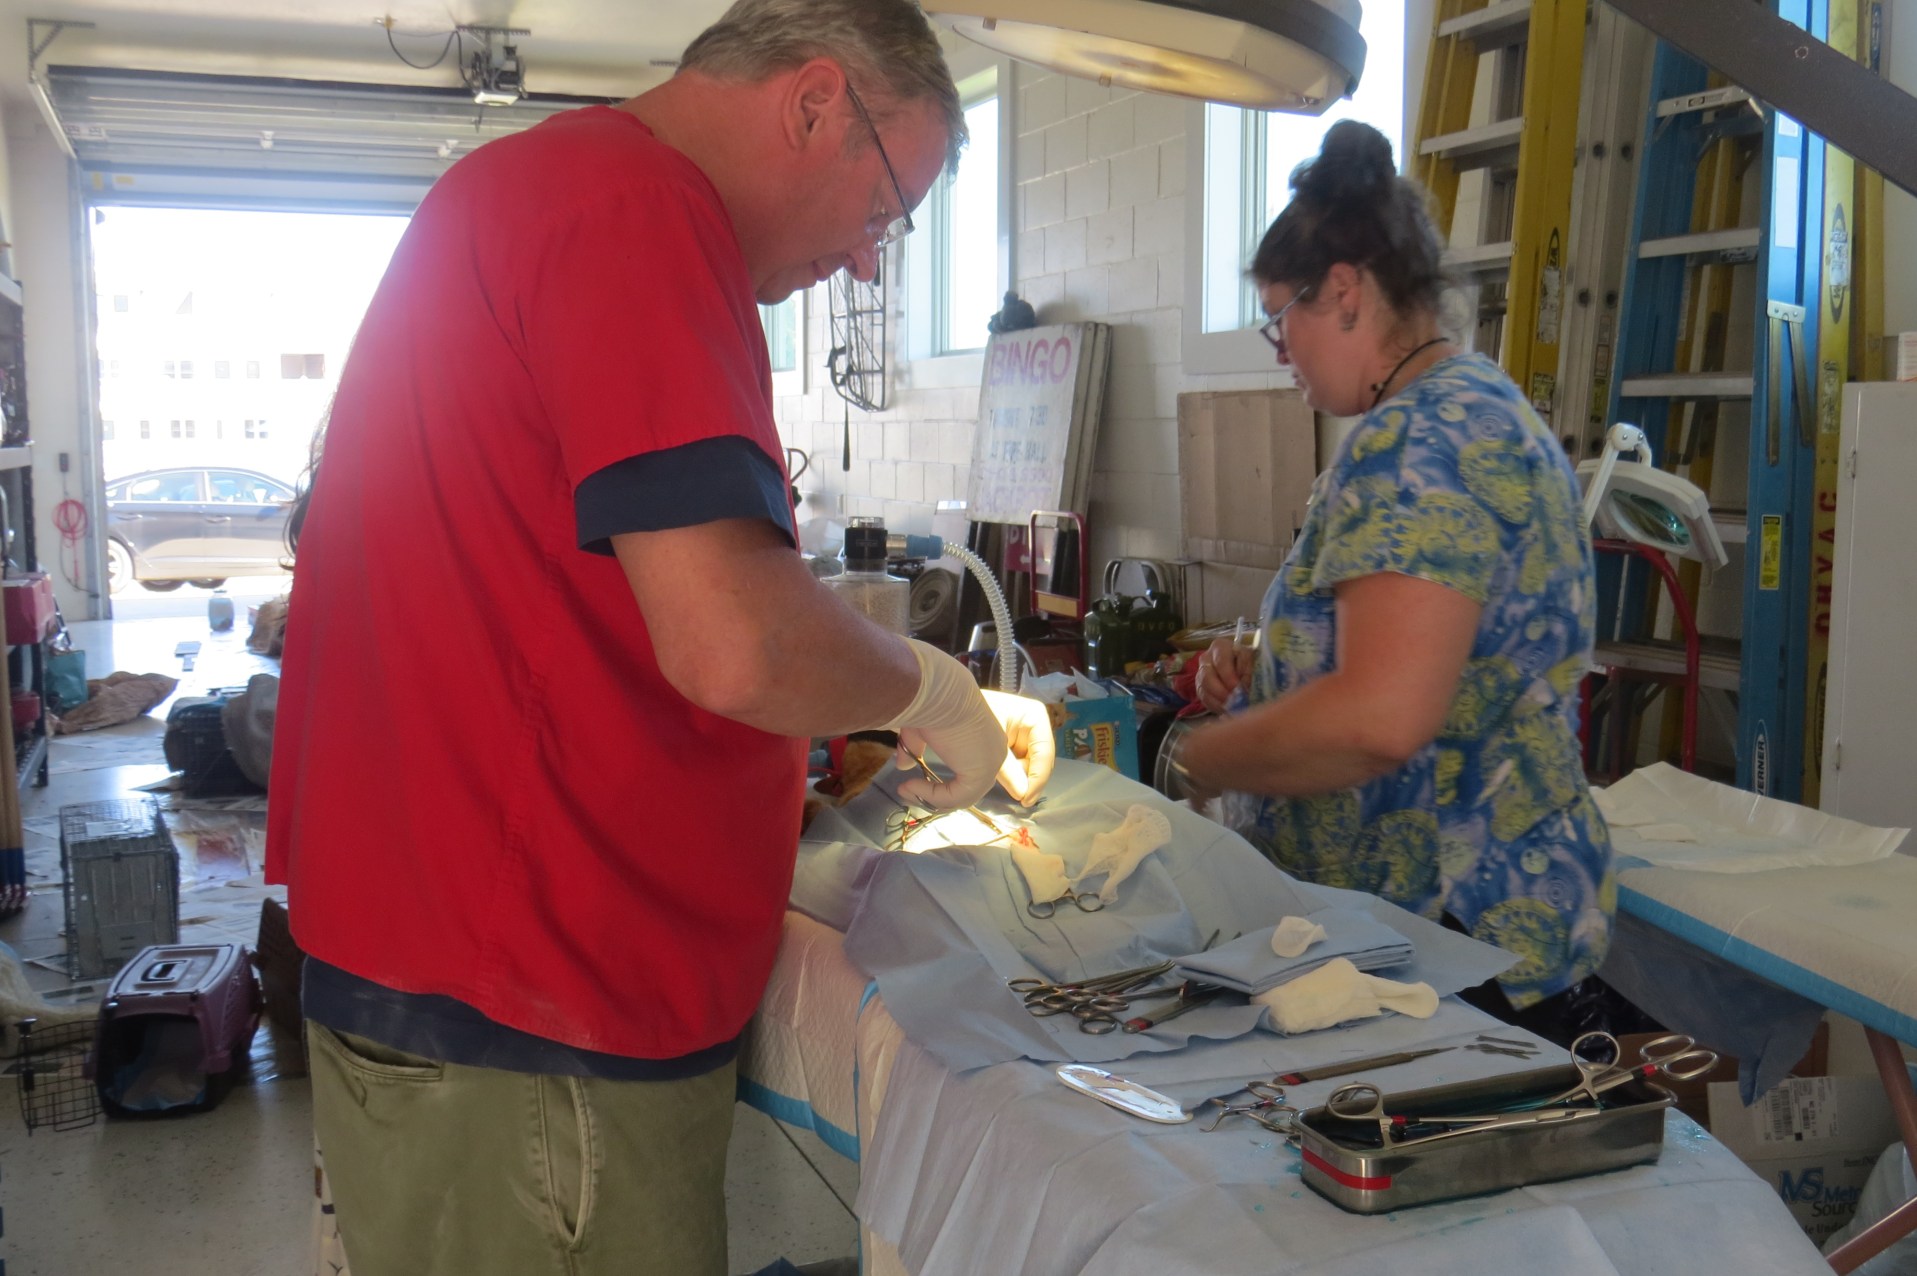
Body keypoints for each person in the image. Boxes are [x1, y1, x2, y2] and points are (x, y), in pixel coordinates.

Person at [264, 3, 1054, 1273]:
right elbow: (733, 639)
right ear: (811, 105)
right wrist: (931, 690)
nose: (866, 261)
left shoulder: (530, 194)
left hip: (456, 981)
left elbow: (581, 619)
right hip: (530, 1023)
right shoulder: (636, 212)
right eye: (885, 205)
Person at [1173, 120, 1613, 1034]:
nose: (1278, 348)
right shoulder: (1476, 408)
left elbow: (1381, 719)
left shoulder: (1413, 441)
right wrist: (1275, 667)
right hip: (1485, 928)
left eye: (1277, 318)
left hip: (1450, 947)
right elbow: (1440, 649)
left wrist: (1186, 759)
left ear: (1341, 292)